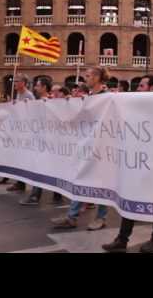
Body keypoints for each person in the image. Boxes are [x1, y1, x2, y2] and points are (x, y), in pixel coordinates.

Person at [102, 74, 153, 253]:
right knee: (131, 196)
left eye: (141, 86)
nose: (137, 89)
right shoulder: (133, 104)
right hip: (137, 161)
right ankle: (122, 240)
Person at [51, 66, 111, 231]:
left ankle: (101, 218)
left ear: (98, 77)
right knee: (80, 178)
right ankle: (72, 216)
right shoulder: (89, 97)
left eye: (88, 75)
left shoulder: (108, 97)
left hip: (101, 148)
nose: (86, 78)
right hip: (86, 146)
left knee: (101, 183)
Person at [19, 77, 62, 205]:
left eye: (37, 86)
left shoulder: (50, 101)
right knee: (47, 168)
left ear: (44, 87)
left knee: (40, 167)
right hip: (41, 139)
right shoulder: (39, 101)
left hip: (47, 141)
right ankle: (56, 194)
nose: (36, 88)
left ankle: (35, 196)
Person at [6, 73, 36, 192]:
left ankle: (24, 183)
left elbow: (31, 112)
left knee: (24, 159)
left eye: (17, 81)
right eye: (14, 80)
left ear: (23, 83)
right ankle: (19, 183)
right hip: (19, 131)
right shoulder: (18, 94)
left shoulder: (29, 95)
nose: (14, 83)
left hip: (26, 132)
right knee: (18, 159)